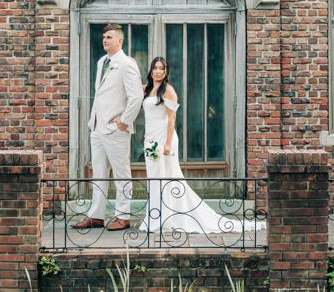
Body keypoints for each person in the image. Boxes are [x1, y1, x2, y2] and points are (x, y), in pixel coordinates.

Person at [138, 57, 265, 234]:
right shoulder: (147, 89)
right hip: (149, 138)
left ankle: (168, 219)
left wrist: (167, 143)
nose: (158, 71)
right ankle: (155, 217)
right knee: (154, 178)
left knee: (168, 177)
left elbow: (172, 118)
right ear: (150, 70)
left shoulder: (168, 90)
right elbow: (128, 90)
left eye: (162, 68)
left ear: (166, 72)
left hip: (164, 138)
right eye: (155, 68)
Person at [72, 24, 143, 232]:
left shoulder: (127, 64)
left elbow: (136, 96)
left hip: (115, 129)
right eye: (104, 36)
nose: (105, 40)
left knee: (122, 173)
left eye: (109, 37)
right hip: (97, 126)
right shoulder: (102, 61)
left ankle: (123, 216)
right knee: (99, 173)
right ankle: (96, 216)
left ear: (119, 41)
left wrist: (123, 122)